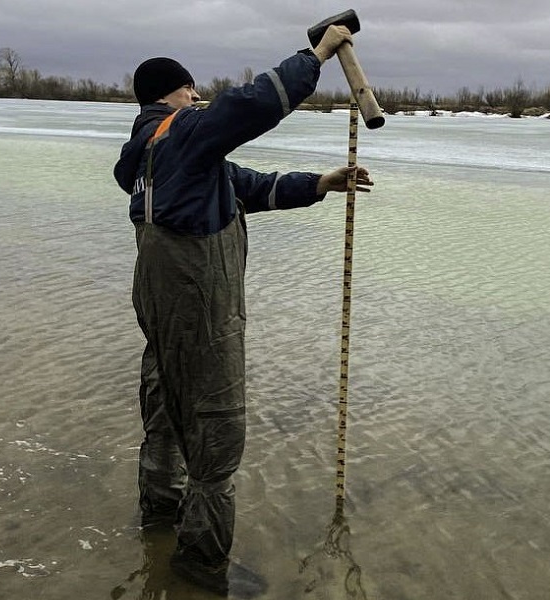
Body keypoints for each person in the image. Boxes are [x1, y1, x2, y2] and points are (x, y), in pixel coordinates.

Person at [112, 25, 374, 596]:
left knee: (164, 407)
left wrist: (319, 183)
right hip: (199, 307)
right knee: (215, 426)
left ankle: (158, 518)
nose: (198, 98)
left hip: (158, 305)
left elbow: (242, 187)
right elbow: (249, 105)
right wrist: (318, 55)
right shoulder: (179, 132)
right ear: (175, 94)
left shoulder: (151, 150)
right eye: (191, 91)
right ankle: (199, 564)